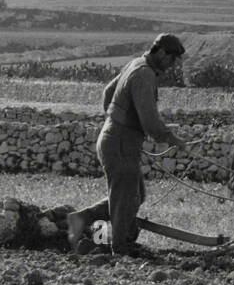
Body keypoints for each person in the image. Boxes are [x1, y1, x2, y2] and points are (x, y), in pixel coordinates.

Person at [67, 33, 190, 256]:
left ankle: (82, 218)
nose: (172, 65)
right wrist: (172, 139)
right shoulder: (144, 74)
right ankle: (120, 247)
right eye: (171, 59)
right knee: (126, 197)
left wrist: (116, 120)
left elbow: (108, 93)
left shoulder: (136, 63)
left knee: (134, 195)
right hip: (120, 141)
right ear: (161, 52)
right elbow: (150, 120)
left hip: (115, 137)